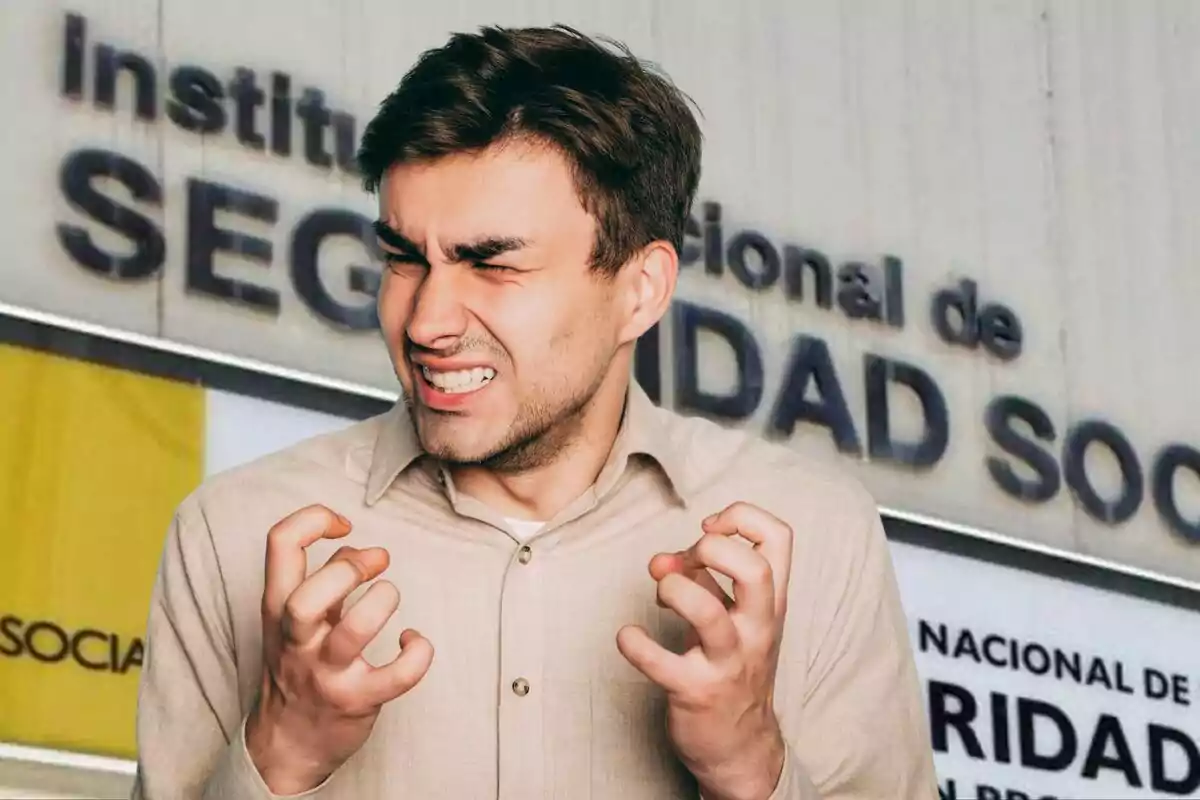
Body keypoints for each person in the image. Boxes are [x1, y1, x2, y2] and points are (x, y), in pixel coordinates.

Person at [131, 24, 937, 800]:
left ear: (640, 290)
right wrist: (280, 757)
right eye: (405, 259)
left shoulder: (817, 532)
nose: (426, 322)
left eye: (491, 264)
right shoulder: (233, 536)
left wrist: (751, 769)